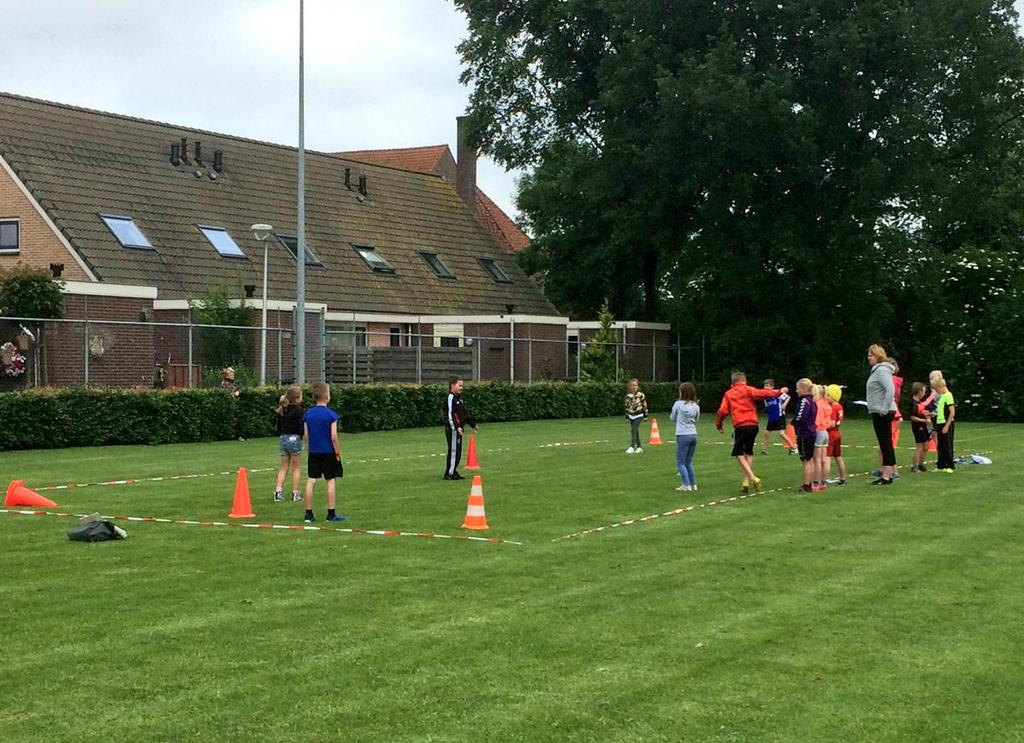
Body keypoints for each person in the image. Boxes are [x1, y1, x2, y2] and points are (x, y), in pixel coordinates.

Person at [715, 371, 786, 493]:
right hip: (753, 425)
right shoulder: (749, 390)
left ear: (732, 383)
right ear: (744, 381)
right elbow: (764, 393)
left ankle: (753, 477)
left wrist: (719, 424)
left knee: (737, 452)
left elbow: (722, 411)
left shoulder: (729, 393)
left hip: (740, 425)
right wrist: (779, 391)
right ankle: (746, 482)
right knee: (749, 452)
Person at [302, 382, 346, 523]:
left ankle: (308, 513)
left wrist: (309, 449)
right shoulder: (331, 415)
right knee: (330, 480)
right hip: (328, 451)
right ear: (327, 397)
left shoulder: (308, 415)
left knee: (311, 480)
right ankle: (331, 513)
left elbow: (306, 436)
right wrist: (337, 452)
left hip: (314, 452)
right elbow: (333, 436)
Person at [866, 344, 898, 485]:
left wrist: (884, 408)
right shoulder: (877, 371)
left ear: (878, 356)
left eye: (871, 355)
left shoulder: (881, 371)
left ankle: (886, 476)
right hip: (878, 410)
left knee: (885, 443)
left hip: (882, 411)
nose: (869, 358)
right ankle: (888, 473)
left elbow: (890, 390)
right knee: (885, 443)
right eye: (868, 355)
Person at [274, 385, 304, 502]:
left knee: (283, 467)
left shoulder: (283, 410)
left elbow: (279, 427)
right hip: (294, 438)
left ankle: (278, 492)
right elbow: (301, 427)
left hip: (283, 438)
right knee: (296, 468)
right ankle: (296, 493)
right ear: (297, 398)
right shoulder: (299, 411)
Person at [444, 376, 478, 480]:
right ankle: (449, 473)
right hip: (453, 429)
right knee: (454, 451)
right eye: (459, 385)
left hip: (458, 429)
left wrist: (472, 424)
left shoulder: (459, 399)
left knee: (458, 451)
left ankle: (453, 471)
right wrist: (456, 427)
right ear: (452, 385)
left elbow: (464, 413)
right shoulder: (451, 398)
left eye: (462, 386)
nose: (461, 388)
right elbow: (450, 414)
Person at [670, 382, 700, 491]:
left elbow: (672, 418)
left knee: (681, 462)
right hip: (693, 434)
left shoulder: (678, 404)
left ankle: (686, 484)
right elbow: (696, 420)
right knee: (688, 461)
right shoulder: (696, 406)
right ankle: (693, 484)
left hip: (682, 434)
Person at [791, 378, 817, 492]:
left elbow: (801, 416)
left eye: (797, 388)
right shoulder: (812, 400)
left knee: (805, 460)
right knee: (809, 459)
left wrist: (793, 422)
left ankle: (806, 485)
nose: (796, 391)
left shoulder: (804, 401)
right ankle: (810, 483)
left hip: (805, 433)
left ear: (802, 389)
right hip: (811, 431)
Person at [761, 378, 795, 455]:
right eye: (765, 386)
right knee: (766, 433)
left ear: (772, 387)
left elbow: (788, 396)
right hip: (771, 417)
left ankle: (793, 448)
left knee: (781, 433)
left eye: (767, 386)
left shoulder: (776, 393)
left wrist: (784, 404)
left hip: (779, 415)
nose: (765, 387)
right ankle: (764, 450)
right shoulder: (764, 395)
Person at [824, 384, 847, 485]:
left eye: (828, 395)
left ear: (834, 396)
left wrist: (821, 426)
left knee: (827, 457)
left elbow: (832, 423)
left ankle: (823, 479)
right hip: (838, 433)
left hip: (831, 434)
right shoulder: (839, 406)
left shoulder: (833, 407)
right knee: (838, 456)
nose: (826, 397)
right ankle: (843, 477)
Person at [933, 377, 957, 473]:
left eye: (937, 389)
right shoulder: (942, 396)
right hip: (939, 422)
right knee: (941, 445)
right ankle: (941, 465)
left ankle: (950, 465)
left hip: (946, 423)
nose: (936, 391)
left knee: (947, 445)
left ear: (941, 387)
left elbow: (952, 412)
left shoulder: (948, 396)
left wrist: (947, 426)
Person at [812, 384, 833, 491]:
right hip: (825, 432)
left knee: (817, 459)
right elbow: (828, 422)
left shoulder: (817, 405)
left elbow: (817, 421)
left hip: (818, 431)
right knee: (824, 459)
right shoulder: (827, 404)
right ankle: (823, 482)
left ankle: (816, 482)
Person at [909, 382, 932, 473]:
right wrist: (925, 421)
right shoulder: (914, 403)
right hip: (918, 427)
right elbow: (913, 417)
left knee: (926, 446)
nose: (924, 393)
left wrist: (929, 414)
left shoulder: (919, 402)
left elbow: (921, 412)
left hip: (923, 427)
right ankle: (915, 466)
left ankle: (921, 464)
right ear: (919, 392)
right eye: (923, 391)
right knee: (919, 447)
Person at [624, 378, 649, 454]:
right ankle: (639, 446)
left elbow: (644, 405)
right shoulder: (628, 396)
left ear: (638, 386)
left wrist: (645, 415)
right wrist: (627, 416)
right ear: (629, 387)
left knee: (633, 430)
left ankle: (632, 446)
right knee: (635, 431)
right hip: (631, 415)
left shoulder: (641, 395)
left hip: (639, 415)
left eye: (635, 385)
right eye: (632, 385)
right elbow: (626, 406)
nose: (633, 387)